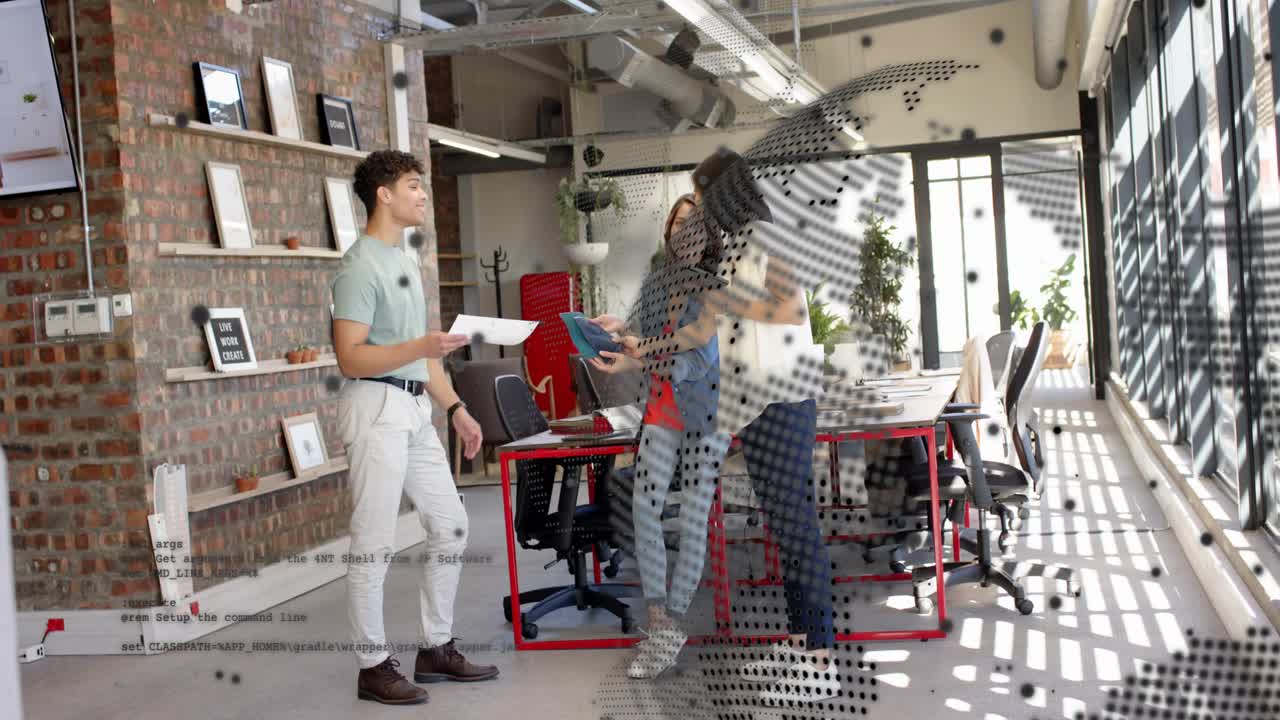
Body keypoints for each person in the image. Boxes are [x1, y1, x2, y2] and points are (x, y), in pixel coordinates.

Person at [604, 149, 841, 703]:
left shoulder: (768, 237)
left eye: (708, 199)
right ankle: (802, 639)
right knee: (783, 529)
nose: (705, 212)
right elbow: (700, 330)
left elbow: (783, 308)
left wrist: (724, 298)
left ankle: (821, 656)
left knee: (797, 527)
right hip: (752, 407)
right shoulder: (735, 246)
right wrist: (639, 348)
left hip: (783, 400)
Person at [331, 150, 499, 706]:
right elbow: (350, 358)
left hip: (414, 411)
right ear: (383, 194)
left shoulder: (404, 261)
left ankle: (434, 647)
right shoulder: (358, 266)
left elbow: (426, 356)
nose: (423, 194)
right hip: (374, 407)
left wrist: (456, 409)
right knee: (373, 542)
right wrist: (421, 348)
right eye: (412, 185)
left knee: (450, 523)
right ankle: (372, 665)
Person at [589, 194, 733, 680]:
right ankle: (659, 624)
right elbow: (648, 346)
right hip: (660, 415)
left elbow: (696, 361)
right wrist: (618, 340)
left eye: (693, 225)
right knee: (644, 513)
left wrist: (641, 350)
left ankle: (671, 623)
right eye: (676, 224)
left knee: (693, 522)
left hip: (703, 420)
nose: (682, 232)